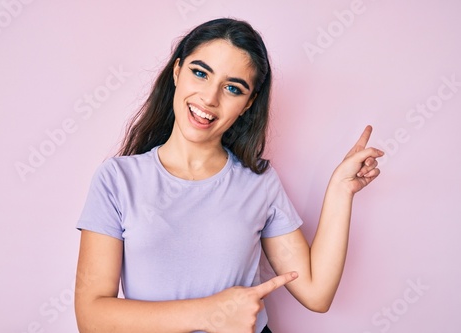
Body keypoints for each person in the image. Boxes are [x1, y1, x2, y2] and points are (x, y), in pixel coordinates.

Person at [74, 18, 383, 333]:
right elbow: (91, 318)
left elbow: (316, 292)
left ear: (248, 104)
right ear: (177, 71)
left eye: (232, 88)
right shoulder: (117, 179)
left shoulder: (258, 181)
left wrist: (341, 190)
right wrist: (210, 313)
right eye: (200, 73)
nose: (210, 98)